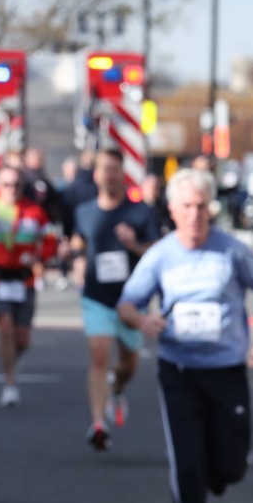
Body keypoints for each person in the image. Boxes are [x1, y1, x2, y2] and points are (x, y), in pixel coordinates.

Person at [117, 167, 253, 503]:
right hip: (179, 372)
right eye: (186, 206)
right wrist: (143, 320)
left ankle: (219, 472)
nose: (194, 214)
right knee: (186, 468)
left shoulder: (230, 251)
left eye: (201, 206)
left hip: (227, 373)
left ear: (210, 209)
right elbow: (127, 304)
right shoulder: (160, 256)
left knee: (229, 468)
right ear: (172, 209)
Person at [71, 146, 158, 449]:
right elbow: (79, 242)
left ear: (123, 174)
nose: (109, 175)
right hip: (96, 296)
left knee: (129, 365)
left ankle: (117, 388)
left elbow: (156, 253)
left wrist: (134, 245)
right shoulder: (84, 211)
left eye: (114, 169)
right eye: (104, 169)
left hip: (132, 300)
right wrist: (75, 258)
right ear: (95, 175)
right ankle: (98, 424)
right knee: (98, 355)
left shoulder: (140, 212)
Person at [0, 161, 57, 405]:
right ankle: (9, 384)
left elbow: (50, 239)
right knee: (5, 328)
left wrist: (40, 257)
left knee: (22, 339)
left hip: (24, 280)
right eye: (6, 184)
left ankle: (10, 360)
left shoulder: (34, 211)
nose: (11, 189)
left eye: (16, 185)